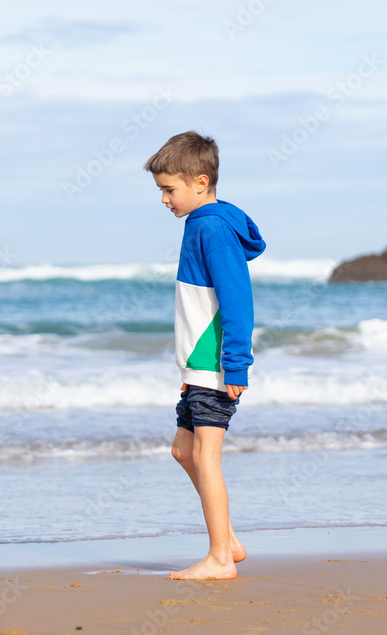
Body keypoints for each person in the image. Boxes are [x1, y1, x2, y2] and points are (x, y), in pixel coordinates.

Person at [144, 131, 266, 580]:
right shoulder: (202, 224)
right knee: (183, 450)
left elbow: (237, 300)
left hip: (217, 366)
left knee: (207, 456)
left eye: (168, 189)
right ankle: (228, 539)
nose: (163, 199)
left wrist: (234, 364)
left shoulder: (212, 228)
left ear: (200, 182)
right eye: (160, 189)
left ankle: (219, 559)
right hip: (200, 368)